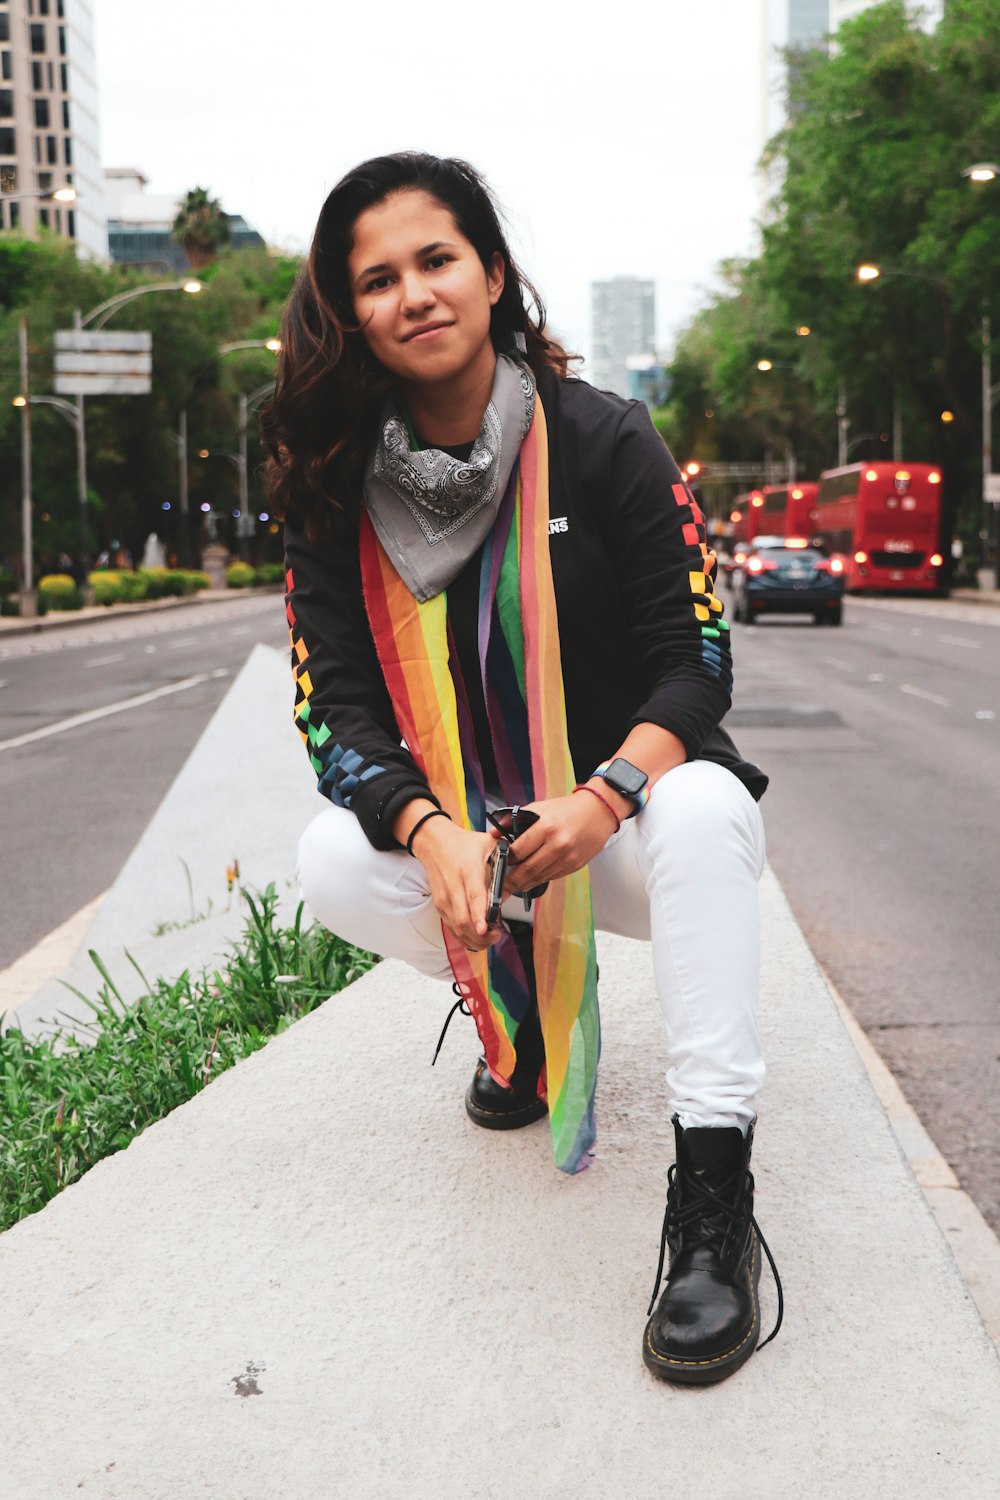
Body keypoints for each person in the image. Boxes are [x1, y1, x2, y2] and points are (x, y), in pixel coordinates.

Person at [263, 152, 781, 1388]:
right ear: (354, 318)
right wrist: (429, 828)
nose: (414, 294)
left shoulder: (603, 438)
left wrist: (606, 797)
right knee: (334, 858)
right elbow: (329, 707)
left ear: (492, 274)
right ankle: (526, 1036)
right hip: (487, 844)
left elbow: (695, 661)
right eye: (376, 280)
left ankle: (713, 1193)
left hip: (619, 832)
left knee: (704, 800)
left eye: (436, 260)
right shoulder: (334, 486)